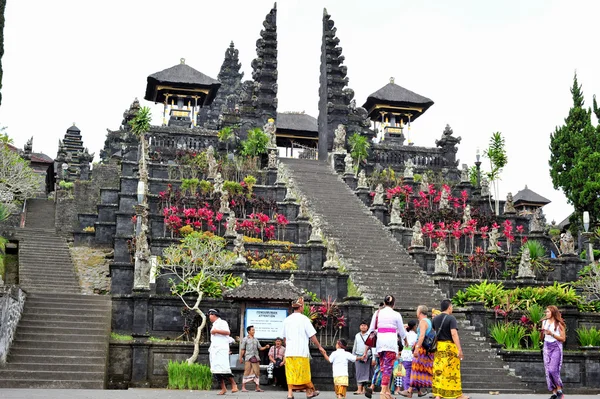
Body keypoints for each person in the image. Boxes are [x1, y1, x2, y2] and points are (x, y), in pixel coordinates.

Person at [281, 296, 326, 399]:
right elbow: (312, 335)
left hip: (290, 352)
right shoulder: (304, 319)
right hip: (301, 352)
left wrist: (288, 348)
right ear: (301, 307)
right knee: (304, 374)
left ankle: (290, 393)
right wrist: (319, 346)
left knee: (291, 374)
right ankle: (310, 391)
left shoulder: (286, 320)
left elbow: (284, 338)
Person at [365, 295, 408, 399]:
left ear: (384, 303)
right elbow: (402, 331)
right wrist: (406, 341)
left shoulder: (377, 313)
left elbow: (371, 329)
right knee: (388, 368)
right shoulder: (396, 314)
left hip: (380, 344)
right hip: (391, 344)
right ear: (394, 304)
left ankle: (387, 393)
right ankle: (383, 393)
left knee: (384, 368)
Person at [431, 299, 468, 399]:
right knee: (452, 371)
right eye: (451, 307)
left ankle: (438, 394)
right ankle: (456, 394)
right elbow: (454, 333)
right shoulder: (451, 318)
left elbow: (435, 332)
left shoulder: (435, 319)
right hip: (449, 347)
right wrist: (459, 348)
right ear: (449, 307)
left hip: (439, 348)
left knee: (439, 371)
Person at [400, 305, 433, 398]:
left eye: (417, 310)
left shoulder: (423, 322)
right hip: (423, 349)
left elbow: (421, 336)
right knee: (418, 370)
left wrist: (417, 348)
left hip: (421, 349)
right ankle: (412, 391)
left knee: (415, 369)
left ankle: (410, 391)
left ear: (420, 312)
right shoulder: (428, 321)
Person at [208, 309, 239, 395]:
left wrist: (216, 331)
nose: (209, 317)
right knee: (216, 370)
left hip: (221, 349)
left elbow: (227, 332)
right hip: (214, 350)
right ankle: (223, 388)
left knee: (224, 368)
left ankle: (234, 384)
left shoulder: (222, 323)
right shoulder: (214, 324)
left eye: (210, 315)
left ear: (213, 315)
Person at [542, 305, 566, 399]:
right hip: (546, 346)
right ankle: (554, 393)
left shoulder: (559, 324)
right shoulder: (544, 322)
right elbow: (543, 337)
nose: (546, 313)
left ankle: (559, 390)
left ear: (553, 312)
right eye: (546, 312)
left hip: (556, 346)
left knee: (553, 369)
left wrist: (551, 334)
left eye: (548, 312)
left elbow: (563, 339)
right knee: (548, 370)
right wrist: (541, 333)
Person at [240, 325, 270, 392]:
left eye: (254, 330)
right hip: (248, 358)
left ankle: (257, 387)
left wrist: (265, 347)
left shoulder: (256, 339)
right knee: (247, 372)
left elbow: (260, 348)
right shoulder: (245, 339)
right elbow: (242, 349)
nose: (254, 331)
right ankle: (243, 387)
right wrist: (240, 358)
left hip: (256, 358)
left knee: (257, 372)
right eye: (252, 330)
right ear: (249, 331)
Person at [352, 320, 372, 395]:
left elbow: (372, 346)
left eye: (365, 325)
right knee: (358, 373)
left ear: (367, 327)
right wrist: (353, 355)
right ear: (360, 327)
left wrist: (368, 355)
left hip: (367, 356)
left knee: (367, 373)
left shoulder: (370, 335)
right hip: (358, 356)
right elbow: (355, 345)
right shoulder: (357, 335)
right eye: (362, 325)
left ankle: (365, 389)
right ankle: (359, 389)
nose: (363, 327)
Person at [398, 320, 418, 395]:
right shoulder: (415, 335)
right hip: (411, 354)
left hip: (404, 355)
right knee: (411, 373)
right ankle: (409, 389)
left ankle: (407, 389)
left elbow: (400, 329)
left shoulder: (405, 334)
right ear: (414, 326)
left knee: (405, 373)